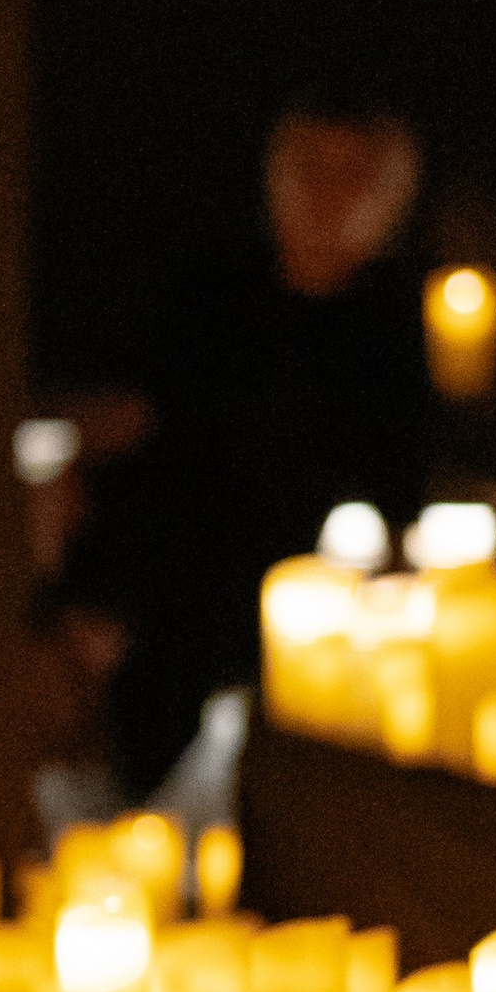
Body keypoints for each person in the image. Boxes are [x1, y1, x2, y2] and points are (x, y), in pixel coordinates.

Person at [64, 89, 433, 799]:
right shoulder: (211, 296)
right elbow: (140, 444)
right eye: (311, 167)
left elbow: (396, 484)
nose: (328, 192)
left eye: (351, 172)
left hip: (302, 652)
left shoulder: (388, 326)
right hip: (169, 623)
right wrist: (94, 592)